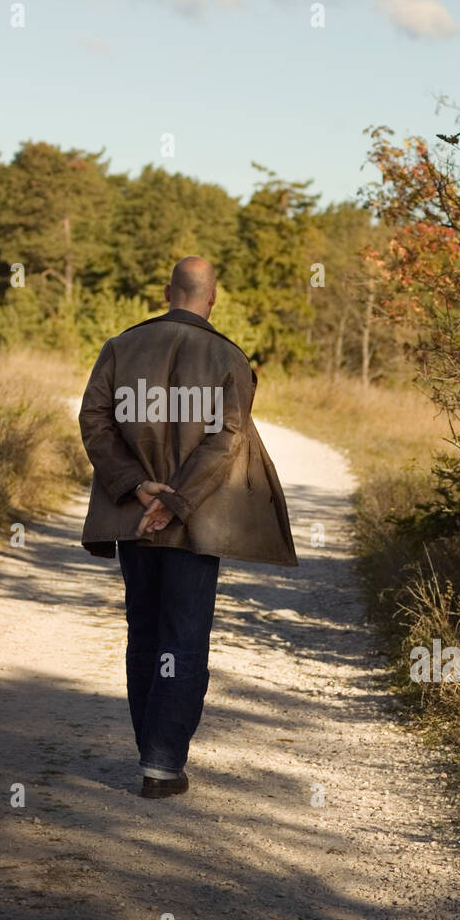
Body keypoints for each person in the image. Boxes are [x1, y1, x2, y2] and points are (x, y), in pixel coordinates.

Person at [78, 257, 297, 798]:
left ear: (167, 290)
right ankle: (162, 764)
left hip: (135, 518)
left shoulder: (119, 347)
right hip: (193, 525)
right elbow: (227, 441)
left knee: (145, 633)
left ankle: (150, 753)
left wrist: (137, 488)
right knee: (184, 636)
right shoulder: (228, 357)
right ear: (212, 297)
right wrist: (176, 503)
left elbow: (95, 421)